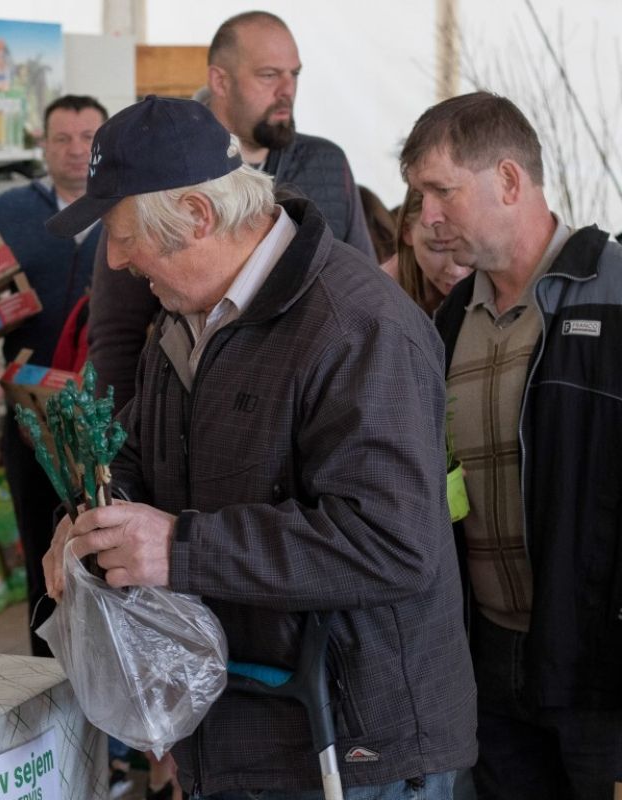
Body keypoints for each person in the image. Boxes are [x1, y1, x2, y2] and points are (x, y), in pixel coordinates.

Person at [43, 95, 476, 798]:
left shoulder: (359, 327)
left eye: (123, 234)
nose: (115, 259)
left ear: (196, 216)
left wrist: (178, 548)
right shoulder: (184, 317)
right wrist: (95, 518)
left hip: (354, 749)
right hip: (240, 728)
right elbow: (140, 451)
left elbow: (393, 542)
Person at [403, 91, 622, 800]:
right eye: (419, 196)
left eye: (442, 191)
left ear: (507, 179)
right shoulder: (446, 324)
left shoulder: (614, 295)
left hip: (600, 669)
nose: (427, 217)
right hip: (487, 663)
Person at [88, 11, 376, 409]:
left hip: (311, 400)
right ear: (220, 80)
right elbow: (117, 332)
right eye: (268, 75)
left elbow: (364, 286)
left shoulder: (327, 162)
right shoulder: (161, 163)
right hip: (192, 405)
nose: (287, 90)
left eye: (294, 74)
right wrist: (118, 438)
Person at [0, 94, 107, 657]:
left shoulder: (135, 208)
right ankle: (46, 682)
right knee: (41, 560)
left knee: (109, 563)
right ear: (42, 145)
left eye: (88, 138)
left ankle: (108, 692)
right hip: (31, 422)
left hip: (110, 425)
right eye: (62, 138)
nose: (75, 150)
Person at [382, 187, 472, 315]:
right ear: (407, 232)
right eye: (437, 248)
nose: (456, 271)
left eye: (470, 248)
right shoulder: (379, 299)